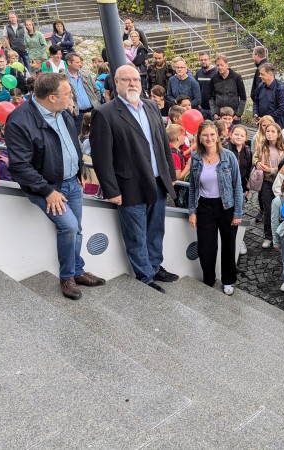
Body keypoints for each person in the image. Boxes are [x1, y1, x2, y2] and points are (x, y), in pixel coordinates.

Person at [4, 72, 105, 299]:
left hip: (71, 181)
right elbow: (20, 166)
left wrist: (79, 170)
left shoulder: (61, 112)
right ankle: (67, 278)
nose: (72, 97)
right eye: (67, 93)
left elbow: (71, 144)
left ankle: (77, 271)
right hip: (48, 188)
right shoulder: (19, 121)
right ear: (51, 97)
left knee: (76, 229)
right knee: (69, 227)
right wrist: (48, 192)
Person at [90, 65, 179, 293]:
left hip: (158, 182)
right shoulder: (105, 113)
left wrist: (170, 174)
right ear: (116, 82)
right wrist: (112, 190)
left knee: (156, 230)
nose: (132, 83)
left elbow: (162, 144)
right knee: (136, 235)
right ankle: (146, 277)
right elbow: (102, 158)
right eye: (126, 80)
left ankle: (155, 266)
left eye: (135, 79)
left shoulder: (150, 106)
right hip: (129, 186)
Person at [186, 120, 243, 294]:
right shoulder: (195, 157)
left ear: (218, 137)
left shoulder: (229, 157)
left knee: (228, 245)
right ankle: (209, 279)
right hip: (204, 206)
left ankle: (228, 281)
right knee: (206, 247)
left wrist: (238, 212)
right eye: (205, 135)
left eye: (212, 134)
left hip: (226, 206)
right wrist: (192, 211)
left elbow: (237, 185)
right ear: (200, 138)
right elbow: (193, 186)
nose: (209, 138)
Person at [253, 122, 284, 248]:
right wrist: (257, 162)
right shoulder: (262, 146)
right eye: (268, 131)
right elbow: (255, 157)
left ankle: (282, 235)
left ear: (278, 134)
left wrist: (271, 170)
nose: (270, 134)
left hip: (280, 183)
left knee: (281, 209)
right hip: (266, 182)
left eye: (273, 131)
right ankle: (268, 236)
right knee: (268, 210)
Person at [65, 53, 101, 132]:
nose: (80, 64)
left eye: (80, 62)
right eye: (77, 62)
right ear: (69, 63)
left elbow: (96, 90)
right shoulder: (63, 78)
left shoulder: (86, 74)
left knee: (99, 133)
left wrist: (96, 103)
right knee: (81, 136)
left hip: (93, 110)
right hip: (77, 115)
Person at [207, 55, 246, 123]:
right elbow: (211, 97)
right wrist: (214, 113)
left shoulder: (236, 77)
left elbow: (243, 98)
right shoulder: (214, 78)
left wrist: (238, 114)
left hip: (234, 116)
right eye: (217, 65)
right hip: (219, 116)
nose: (219, 67)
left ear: (227, 65)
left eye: (222, 65)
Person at [252, 63, 284, 128]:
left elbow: (282, 108)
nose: (260, 76)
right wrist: (255, 113)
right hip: (262, 125)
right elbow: (256, 101)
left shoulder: (280, 88)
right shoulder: (260, 86)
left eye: (262, 74)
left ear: (270, 74)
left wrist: (267, 119)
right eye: (260, 74)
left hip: (277, 125)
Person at [194, 52, 217, 118]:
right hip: (202, 108)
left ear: (210, 61)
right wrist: (198, 103)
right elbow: (196, 89)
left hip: (214, 109)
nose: (203, 61)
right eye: (201, 60)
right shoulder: (198, 73)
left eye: (205, 59)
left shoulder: (216, 73)